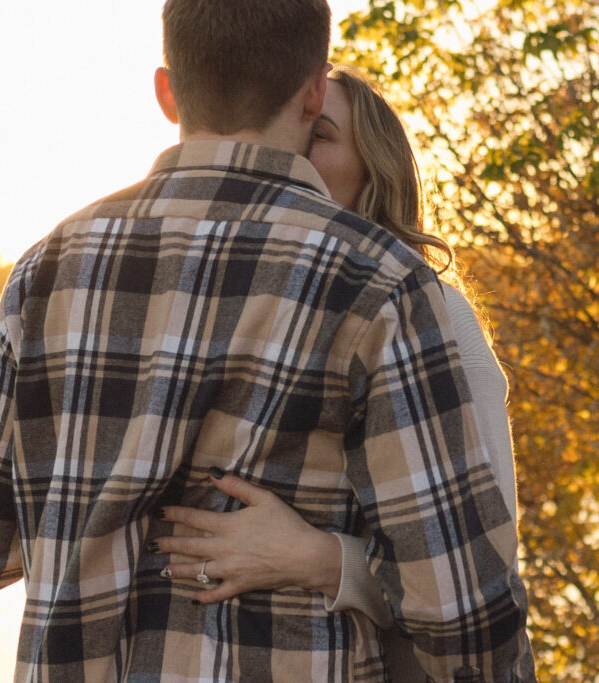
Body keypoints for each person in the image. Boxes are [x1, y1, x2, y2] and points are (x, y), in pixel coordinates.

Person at [0, 1, 533, 681]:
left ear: (167, 90)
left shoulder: (48, 268)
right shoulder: (381, 283)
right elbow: (466, 615)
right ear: (311, 90)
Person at [149, 66, 523, 682]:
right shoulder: (234, 301)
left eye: (320, 134)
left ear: (373, 170)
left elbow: (484, 570)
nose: (293, 152)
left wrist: (324, 559)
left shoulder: (436, 314)